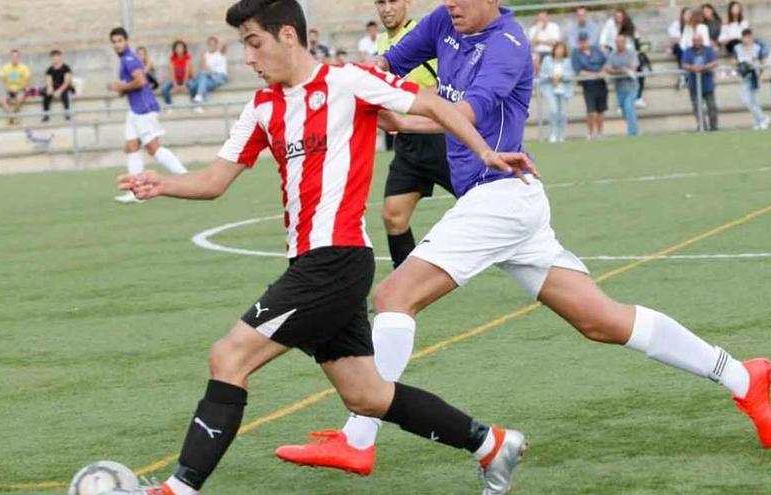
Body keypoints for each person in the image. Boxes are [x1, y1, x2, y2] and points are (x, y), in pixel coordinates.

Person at [276, 0, 771, 479]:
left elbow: (464, 116)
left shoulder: (508, 45)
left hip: (498, 198)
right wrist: (354, 85)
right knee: (600, 320)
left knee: (392, 296)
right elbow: (383, 63)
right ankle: (741, 376)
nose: (451, 4)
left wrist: (398, 113)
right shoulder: (440, 23)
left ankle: (358, 440)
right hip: (512, 200)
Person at [114, 1, 535, 494]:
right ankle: (491, 444)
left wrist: (485, 151)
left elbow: (434, 105)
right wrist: (159, 184)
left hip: (335, 260)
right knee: (368, 395)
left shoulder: (349, 82)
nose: (248, 57)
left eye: (254, 42)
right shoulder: (262, 107)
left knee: (228, 357)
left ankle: (176, 489)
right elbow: (213, 181)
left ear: (287, 35)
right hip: (316, 262)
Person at [368, 0, 454, 269]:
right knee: (393, 216)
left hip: (440, 139)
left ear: (408, 2)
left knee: (484, 208)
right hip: (407, 143)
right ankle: (402, 284)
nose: (386, 8)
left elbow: (448, 90)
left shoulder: (423, 37)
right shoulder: (382, 43)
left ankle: (531, 256)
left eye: (392, 1)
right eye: (380, 2)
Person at [107, 27, 188, 205]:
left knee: (153, 148)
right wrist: (122, 89)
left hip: (143, 109)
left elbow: (141, 81)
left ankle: (185, 178)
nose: (117, 44)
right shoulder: (125, 60)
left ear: (126, 41)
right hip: (134, 110)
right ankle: (136, 192)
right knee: (131, 147)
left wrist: (120, 87)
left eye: (120, 40)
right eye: (114, 42)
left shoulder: (129, 59)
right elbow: (133, 83)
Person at [572, 32, 608, 139]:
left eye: (585, 40)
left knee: (601, 109)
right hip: (588, 84)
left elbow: (605, 62)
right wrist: (593, 74)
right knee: (590, 110)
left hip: (601, 82)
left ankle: (600, 132)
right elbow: (578, 70)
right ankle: (591, 133)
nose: (584, 43)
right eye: (581, 41)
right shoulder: (576, 53)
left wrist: (601, 72)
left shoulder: (596, 50)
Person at [683, 33, 720, 131]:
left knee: (712, 106)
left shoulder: (708, 50)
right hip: (694, 85)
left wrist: (704, 67)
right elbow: (684, 64)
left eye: (698, 40)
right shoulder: (688, 51)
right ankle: (702, 126)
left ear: (702, 40)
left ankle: (714, 127)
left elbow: (715, 62)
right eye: (694, 40)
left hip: (707, 84)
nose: (696, 42)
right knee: (697, 108)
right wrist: (692, 67)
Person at [539, 41, 574, 142]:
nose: (560, 51)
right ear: (554, 49)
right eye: (558, 48)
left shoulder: (568, 61)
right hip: (550, 90)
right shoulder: (547, 60)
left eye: (562, 49)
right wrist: (551, 77)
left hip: (564, 91)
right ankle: (553, 133)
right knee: (553, 111)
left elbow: (571, 76)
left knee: (563, 114)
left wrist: (561, 77)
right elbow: (542, 75)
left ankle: (562, 135)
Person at [734, 28, 770, 130]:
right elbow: (734, 60)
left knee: (756, 101)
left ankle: (759, 122)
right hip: (744, 77)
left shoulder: (757, 48)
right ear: (742, 38)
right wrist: (742, 65)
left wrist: (759, 71)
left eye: (750, 37)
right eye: (745, 37)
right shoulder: (737, 48)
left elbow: (762, 62)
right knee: (746, 100)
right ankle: (763, 118)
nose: (748, 39)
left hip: (755, 76)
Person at [605, 35, 639, 136]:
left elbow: (633, 68)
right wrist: (622, 70)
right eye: (617, 42)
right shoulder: (612, 55)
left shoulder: (631, 53)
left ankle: (633, 133)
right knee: (625, 111)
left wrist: (618, 71)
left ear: (625, 42)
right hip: (619, 88)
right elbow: (607, 68)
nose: (619, 44)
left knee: (629, 107)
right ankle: (632, 129)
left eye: (621, 42)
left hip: (632, 87)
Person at [190, 36, 229, 110]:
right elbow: (203, 68)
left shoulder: (221, 52)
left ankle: (198, 101)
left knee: (197, 84)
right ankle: (199, 101)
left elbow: (225, 43)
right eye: (210, 43)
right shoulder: (206, 55)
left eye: (214, 43)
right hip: (210, 77)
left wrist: (218, 40)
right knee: (202, 80)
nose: (212, 45)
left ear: (216, 44)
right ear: (208, 45)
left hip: (220, 77)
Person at [0, 49, 31, 125]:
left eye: (16, 57)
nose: (14, 58)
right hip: (9, 90)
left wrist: (19, 89)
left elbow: (27, 82)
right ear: (10, 57)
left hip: (20, 89)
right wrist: (9, 88)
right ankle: (12, 116)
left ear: (19, 57)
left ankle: (11, 117)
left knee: (19, 98)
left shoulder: (24, 68)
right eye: (13, 57)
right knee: (1, 99)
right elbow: (4, 81)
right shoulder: (6, 68)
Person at [41, 49, 73, 122]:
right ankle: (46, 114)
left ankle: (67, 113)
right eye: (53, 58)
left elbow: (66, 82)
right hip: (55, 86)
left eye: (56, 57)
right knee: (46, 93)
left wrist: (59, 91)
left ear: (60, 57)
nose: (55, 59)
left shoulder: (66, 68)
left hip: (64, 86)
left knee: (64, 94)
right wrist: (49, 87)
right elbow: (48, 80)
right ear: (51, 59)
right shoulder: (50, 69)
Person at [161, 40, 194, 109]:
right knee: (164, 88)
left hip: (186, 79)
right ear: (175, 49)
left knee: (193, 86)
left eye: (181, 47)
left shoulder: (187, 57)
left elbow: (187, 71)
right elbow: (172, 72)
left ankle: (193, 104)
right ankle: (169, 105)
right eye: (177, 47)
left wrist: (184, 84)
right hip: (176, 80)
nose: (179, 49)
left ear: (184, 49)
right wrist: (175, 84)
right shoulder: (172, 58)